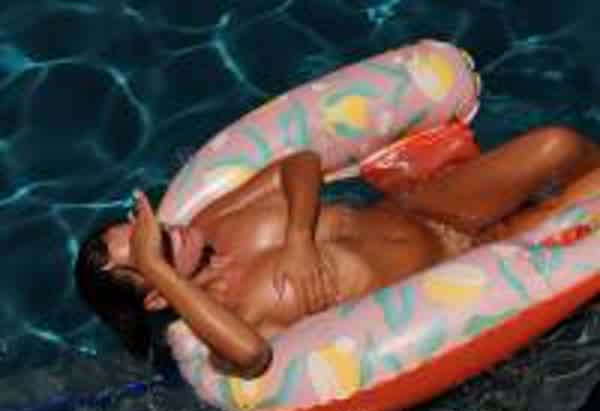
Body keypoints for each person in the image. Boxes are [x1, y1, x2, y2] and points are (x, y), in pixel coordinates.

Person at [75, 126, 600, 378]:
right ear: (155, 294)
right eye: (157, 246)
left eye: (153, 225)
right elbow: (253, 357)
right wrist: (161, 270)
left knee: (559, 144)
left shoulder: (213, 223)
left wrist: (299, 239)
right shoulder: (231, 317)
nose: (173, 230)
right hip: (466, 266)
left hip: (425, 210)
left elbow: (300, 163)